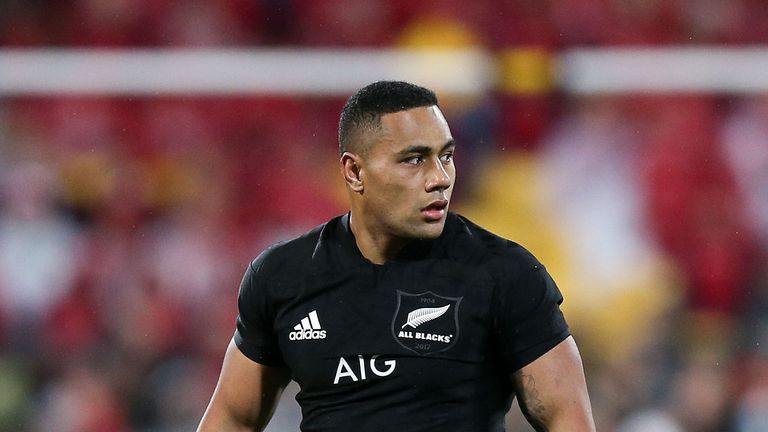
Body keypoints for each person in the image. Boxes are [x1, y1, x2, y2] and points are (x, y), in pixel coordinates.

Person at [197, 81, 595, 431]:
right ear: (354, 172)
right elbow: (234, 418)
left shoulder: (505, 275)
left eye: (447, 156)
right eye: (414, 159)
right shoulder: (283, 277)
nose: (440, 177)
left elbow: (567, 419)